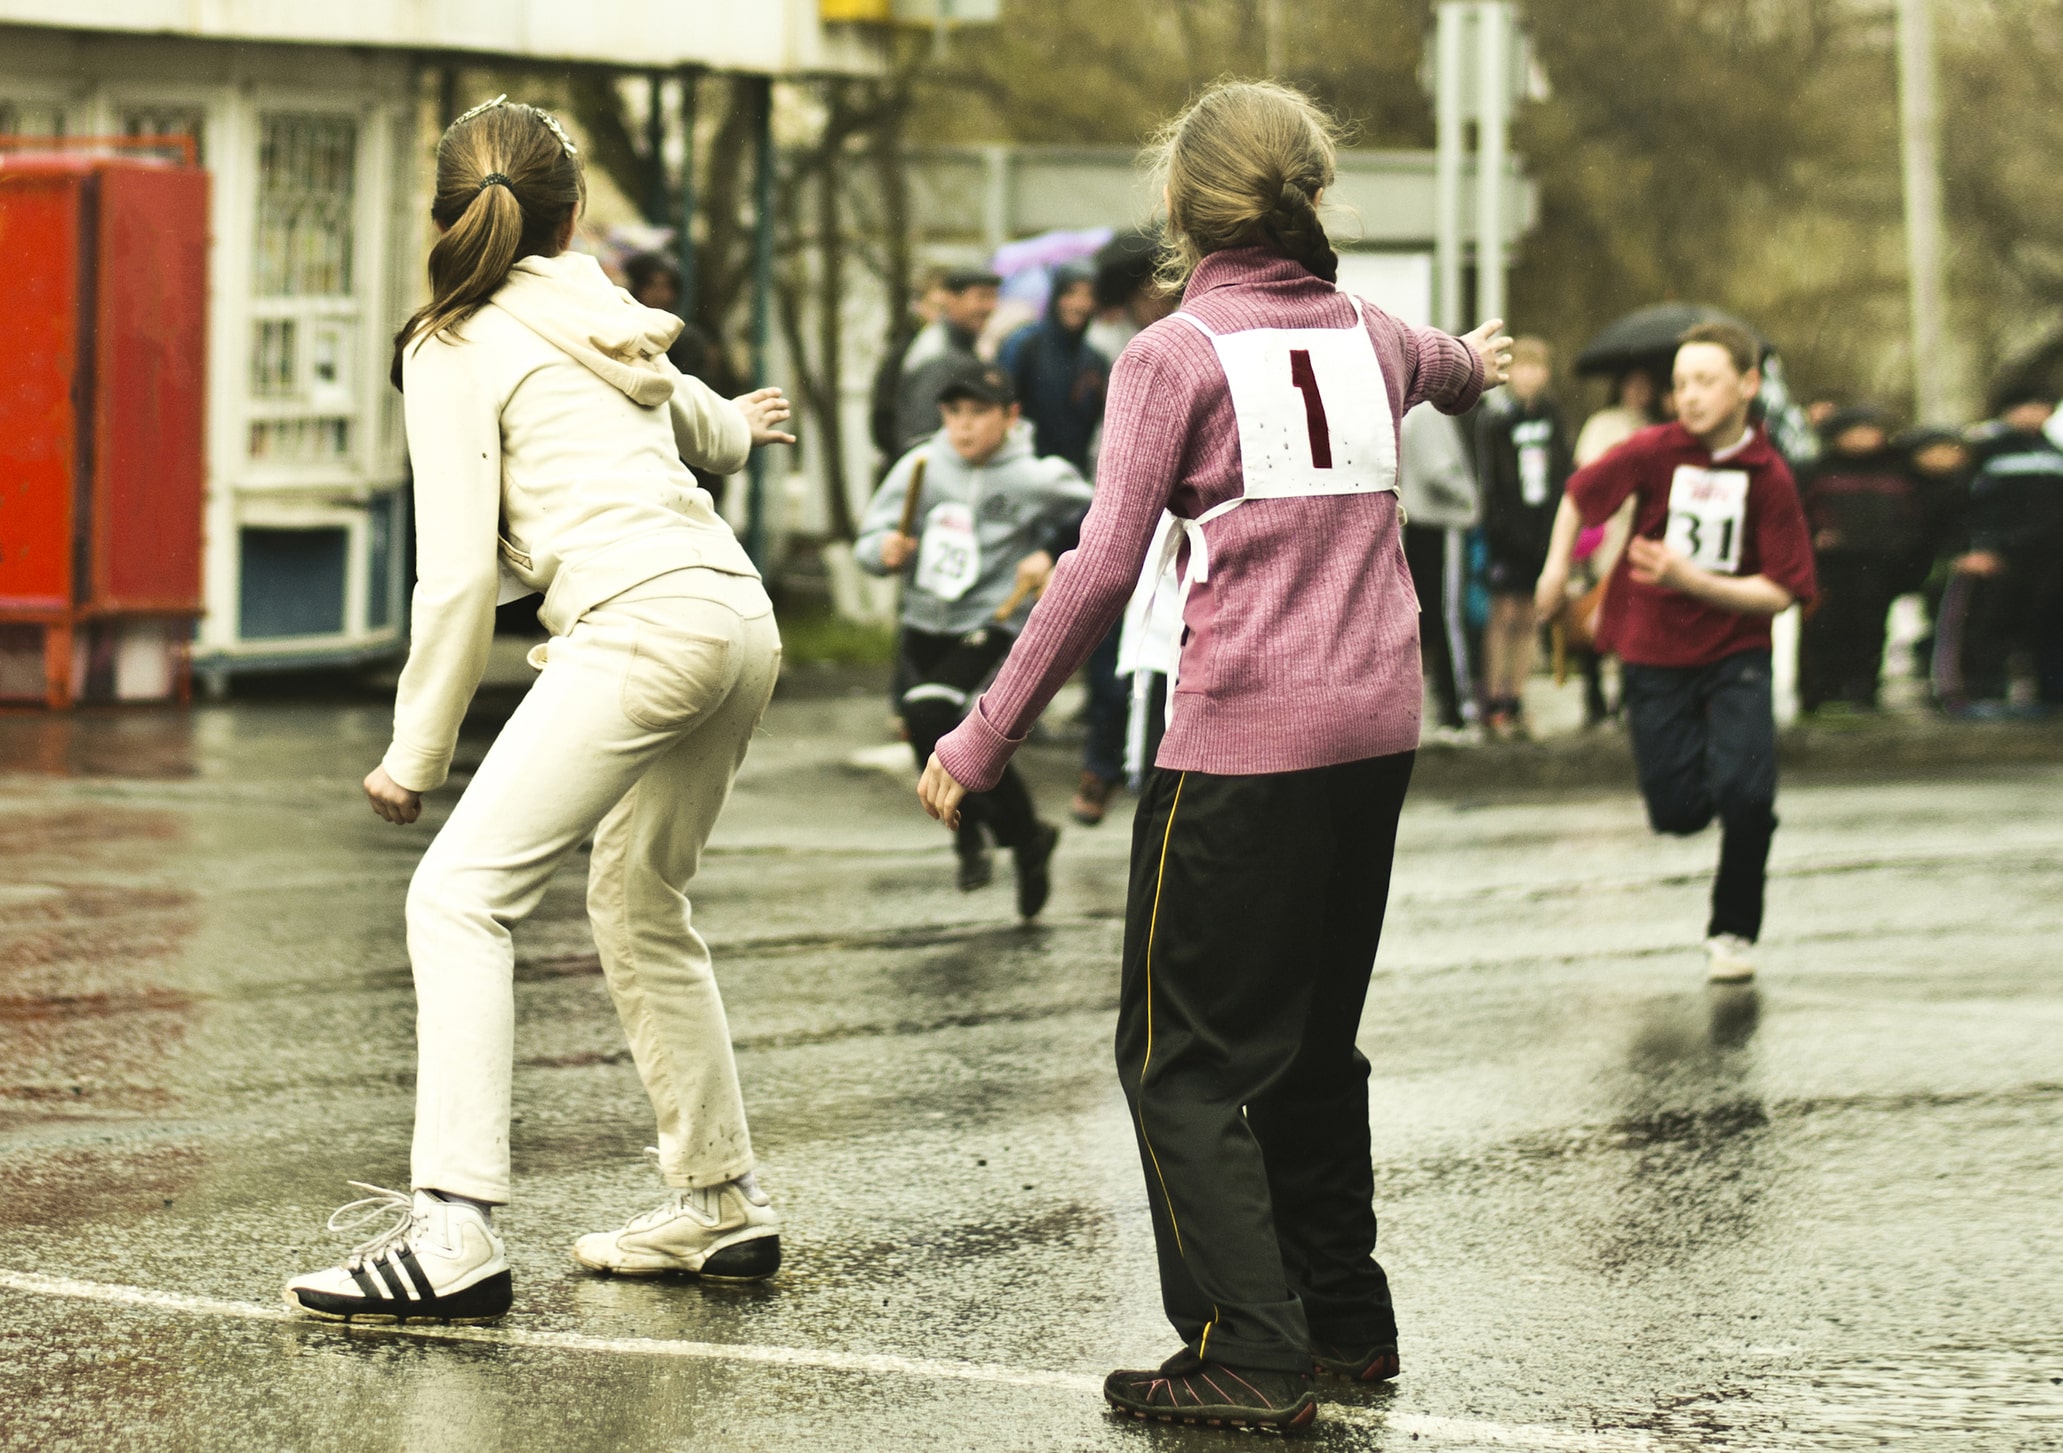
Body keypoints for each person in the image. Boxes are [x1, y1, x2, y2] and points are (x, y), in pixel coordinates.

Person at [917, 80, 1510, 1432]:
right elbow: (1450, 365)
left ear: (1178, 207)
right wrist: (1478, 364)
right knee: (1309, 1045)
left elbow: (1097, 568)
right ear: (1312, 193)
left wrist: (984, 731)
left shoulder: (1171, 355)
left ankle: (1247, 1345)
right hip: (1374, 735)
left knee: (1177, 1060)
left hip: (1243, 746)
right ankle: (1342, 1322)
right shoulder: (1370, 334)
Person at [283, 98, 797, 1323]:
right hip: (736, 618)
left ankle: (452, 1228)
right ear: (570, 220)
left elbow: (459, 574)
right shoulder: (599, 304)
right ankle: (716, 1201)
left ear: (445, 218)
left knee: (458, 899)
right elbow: (693, 419)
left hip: (641, 626)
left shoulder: (452, 342)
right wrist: (739, 424)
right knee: (640, 902)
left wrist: (415, 752)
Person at [1535, 323, 1816, 985]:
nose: (1688, 395)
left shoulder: (1769, 474)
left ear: (1747, 385)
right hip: (1653, 649)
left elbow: (1781, 592)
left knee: (1748, 798)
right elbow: (1578, 496)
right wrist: (1554, 569)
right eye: (1680, 382)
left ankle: (1732, 930)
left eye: (1705, 381)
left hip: (1735, 651)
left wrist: (1692, 580)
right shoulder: (1654, 449)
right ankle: (1714, 779)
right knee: (1677, 813)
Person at [856, 362, 1091, 913]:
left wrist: (1050, 552)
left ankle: (977, 837)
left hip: (992, 620)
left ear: (1010, 416)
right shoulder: (920, 465)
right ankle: (1024, 836)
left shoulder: (1035, 476)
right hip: (924, 620)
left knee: (927, 713)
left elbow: (1102, 513)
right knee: (937, 732)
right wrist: (883, 551)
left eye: (979, 413)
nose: (963, 426)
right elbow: (870, 538)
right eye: (953, 412)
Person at [1937, 390, 2063, 714]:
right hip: (1994, 553)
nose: (2034, 414)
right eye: (2026, 406)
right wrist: (1972, 547)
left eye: (2042, 407)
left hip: (2046, 558)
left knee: (2043, 625)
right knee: (1985, 624)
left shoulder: (2052, 452)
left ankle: (2048, 695)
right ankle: (1975, 694)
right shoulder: (1983, 450)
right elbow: (1959, 503)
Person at [1475, 337, 1572, 737]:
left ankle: (1516, 697)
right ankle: (1493, 699)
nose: (1530, 375)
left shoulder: (1552, 416)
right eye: (1523, 367)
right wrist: (1501, 527)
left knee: (1531, 614)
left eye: (1537, 367)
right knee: (1504, 614)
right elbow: (1491, 479)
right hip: (1506, 532)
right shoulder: (1496, 417)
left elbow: (1562, 472)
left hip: (1541, 530)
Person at [1796, 406, 1921, 712]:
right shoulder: (1816, 471)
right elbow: (1796, 513)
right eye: (1855, 431)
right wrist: (1815, 536)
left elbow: (1913, 516)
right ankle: (1820, 694)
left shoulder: (1896, 472)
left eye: (1870, 430)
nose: (1864, 438)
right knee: (1825, 626)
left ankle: (1864, 691)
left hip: (1878, 563)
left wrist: (1900, 545)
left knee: (1871, 627)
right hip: (1830, 565)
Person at [623, 249, 742, 508]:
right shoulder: (620, 335)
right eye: (652, 285)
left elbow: (697, 399)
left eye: (667, 286)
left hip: (682, 462)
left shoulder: (688, 341)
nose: (660, 295)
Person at [1397, 402, 1480, 738]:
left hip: (1418, 525)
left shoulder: (1412, 410)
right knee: (1448, 616)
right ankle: (1457, 710)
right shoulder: (1428, 412)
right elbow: (1437, 472)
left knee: (1428, 616)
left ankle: (1439, 709)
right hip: (1438, 525)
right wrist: (1474, 500)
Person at [893, 268, 1001, 454]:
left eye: (993, 297)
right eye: (982, 297)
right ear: (951, 299)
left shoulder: (966, 346)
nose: (989, 307)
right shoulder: (937, 352)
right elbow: (922, 433)